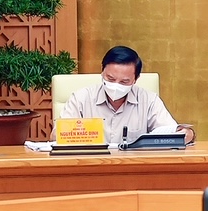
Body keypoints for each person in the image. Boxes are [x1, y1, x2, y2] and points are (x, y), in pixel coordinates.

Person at [56, 45, 194, 144]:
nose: (116, 85)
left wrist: (187, 134)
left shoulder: (149, 101)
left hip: (135, 169)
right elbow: (56, 136)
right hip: (89, 167)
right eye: (110, 79)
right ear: (102, 72)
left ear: (135, 79)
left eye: (124, 81)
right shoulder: (80, 99)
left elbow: (175, 134)